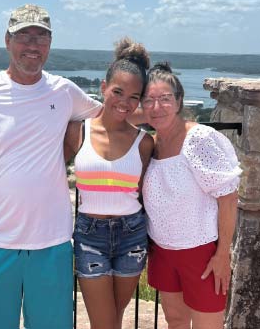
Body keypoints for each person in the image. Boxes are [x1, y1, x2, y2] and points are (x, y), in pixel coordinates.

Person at [0, 4, 102, 329]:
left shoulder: (65, 92)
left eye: (41, 37)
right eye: (24, 35)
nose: (33, 45)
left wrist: (173, 122)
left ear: (50, 45)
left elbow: (113, 117)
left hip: (52, 243)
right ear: (7, 41)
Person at [140, 62, 241, 329]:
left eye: (164, 99)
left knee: (208, 325)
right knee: (175, 321)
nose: (156, 107)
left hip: (202, 253)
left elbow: (228, 198)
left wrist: (222, 255)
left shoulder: (199, 139)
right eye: (148, 100)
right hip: (162, 250)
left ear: (179, 100)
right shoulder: (153, 142)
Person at [72, 37, 154, 329]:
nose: (125, 102)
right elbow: (44, 164)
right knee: (104, 323)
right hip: (89, 235)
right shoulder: (78, 131)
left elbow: (148, 193)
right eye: (118, 91)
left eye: (134, 97)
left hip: (131, 235)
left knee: (113, 321)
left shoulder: (143, 142)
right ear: (103, 88)